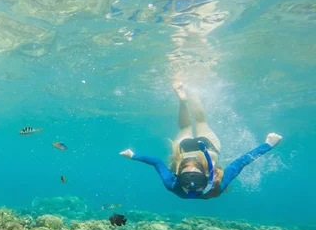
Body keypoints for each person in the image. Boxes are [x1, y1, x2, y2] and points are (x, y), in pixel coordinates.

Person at [120, 84, 282, 199]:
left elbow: (156, 162)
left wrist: (134, 156)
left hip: (200, 149)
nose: (192, 187)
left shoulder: (174, 185)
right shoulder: (215, 186)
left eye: (187, 180)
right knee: (198, 122)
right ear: (206, 174)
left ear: (178, 175)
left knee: (195, 123)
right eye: (196, 181)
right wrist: (267, 145)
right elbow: (240, 163)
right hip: (195, 149)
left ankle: (186, 97)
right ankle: (190, 94)